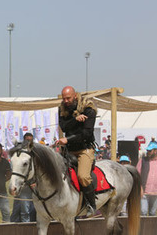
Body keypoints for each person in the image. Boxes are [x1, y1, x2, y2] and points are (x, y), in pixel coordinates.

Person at [57, 86, 97, 216]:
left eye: (68, 98)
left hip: (84, 149)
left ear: (75, 96)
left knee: (83, 176)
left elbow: (87, 133)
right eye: (64, 98)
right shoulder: (62, 108)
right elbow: (63, 126)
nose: (66, 101)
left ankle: (91, 205)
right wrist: (75, 119)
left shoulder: (89, 109)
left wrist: (67, 140)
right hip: (68, 150)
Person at [10, 133, 36, 223]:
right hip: (23, 187)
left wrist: (36, 182)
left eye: (30, 140)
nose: (29, 141)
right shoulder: (20, 151)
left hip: (33, 188)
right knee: (22, 211)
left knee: (32, 210)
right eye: (27, 139)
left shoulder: (35, 151)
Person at [136, 142, 157, 216]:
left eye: (150, 151)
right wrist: (140, 188)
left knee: (152, 213)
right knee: (143, 212)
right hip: (144, 192)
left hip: (156, 193)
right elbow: (137, 176)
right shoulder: (143, 161)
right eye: (147, 151)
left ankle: (152, 228)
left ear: (155, 151)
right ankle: (142, 228)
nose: (148, 152)